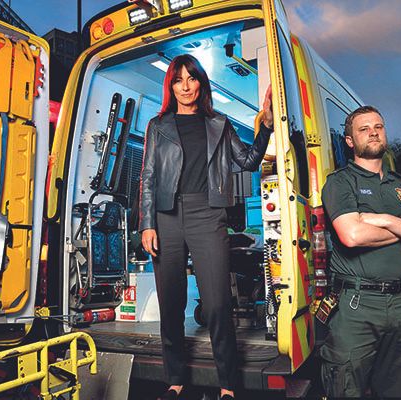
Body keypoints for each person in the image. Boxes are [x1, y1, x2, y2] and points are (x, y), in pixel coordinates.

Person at [139, 54, 273, 400]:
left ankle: (227, 386)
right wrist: (147, 224)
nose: (185, 86)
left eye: (192, 79)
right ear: (171, 86)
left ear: (201, 83)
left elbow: (247, 161)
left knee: (216, 304)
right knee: (171, 302)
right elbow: (149, 177)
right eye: (178, 80)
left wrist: (267, 126)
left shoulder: (220, 124)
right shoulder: (159, 126)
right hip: (167, 217)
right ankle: (175, 380)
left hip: (208, 214)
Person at [320, 105, 401, 397]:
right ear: (350, 142)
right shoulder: (340, 182)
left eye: (378, 127)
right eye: (364, 129)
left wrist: (383, 220)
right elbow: (353, 235)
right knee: (346, 388)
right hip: (357, 305)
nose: (373, 132)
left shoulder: (400, 186)